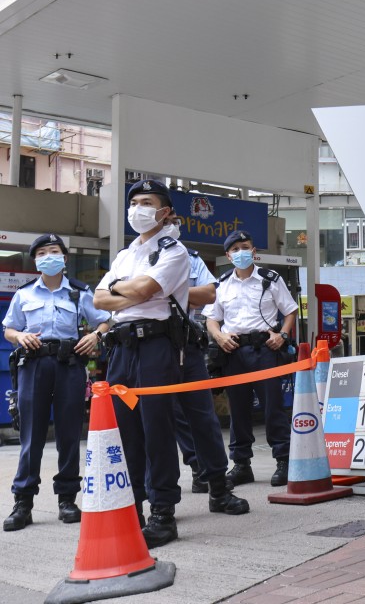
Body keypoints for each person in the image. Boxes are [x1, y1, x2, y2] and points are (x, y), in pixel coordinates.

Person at [94, 179, 190, 548]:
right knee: (126, 432)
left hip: (155, 347)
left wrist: (121, 289)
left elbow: (145, 290)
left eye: (146, 202)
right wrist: (129, 291)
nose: (137, 209)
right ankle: (131, 509)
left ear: (165, 212)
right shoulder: (125, 254)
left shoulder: (174, 251)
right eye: (134, 202)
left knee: (157, 429)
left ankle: (163, 513)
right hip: (122, 349)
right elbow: (99, 299)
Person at [2, 234, 110, 532]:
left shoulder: (79, 292)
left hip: (69, 365)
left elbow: (105, 320)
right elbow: (9, 328)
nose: (48, 257)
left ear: (64, 258)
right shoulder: (24, 294)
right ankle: (23, 503)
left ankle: (67, 499)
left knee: (69, 434)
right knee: (31, 435)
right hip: (33, 365)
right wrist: (19, 336)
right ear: (36, 261)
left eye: (53, 251)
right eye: (42, 253)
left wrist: (95, 335)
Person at [153, 220, 248, 516]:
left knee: (203, 416)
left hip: (187, 341)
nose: (167, 226)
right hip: (151, 346)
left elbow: (208, 294)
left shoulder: (190, 257)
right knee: (161, 421)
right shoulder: (131, 257)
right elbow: (112, 299)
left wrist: (155, 291)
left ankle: (217, 486)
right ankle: (166, 500)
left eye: (171, 220)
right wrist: (179, 292)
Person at [205, 231, 296, 488]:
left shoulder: (270, 279)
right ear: (228, 256)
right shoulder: (221, 284)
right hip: (233, 352)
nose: (240, 252)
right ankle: (241, 464)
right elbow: (212, 319)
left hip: (265, 349)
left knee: (273, 406)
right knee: (238, 409)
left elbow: (290, 311)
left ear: (253, 251)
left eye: (245, 247)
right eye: (235, 249)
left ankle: (284, 460)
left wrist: (282, 335)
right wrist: (219, 337)